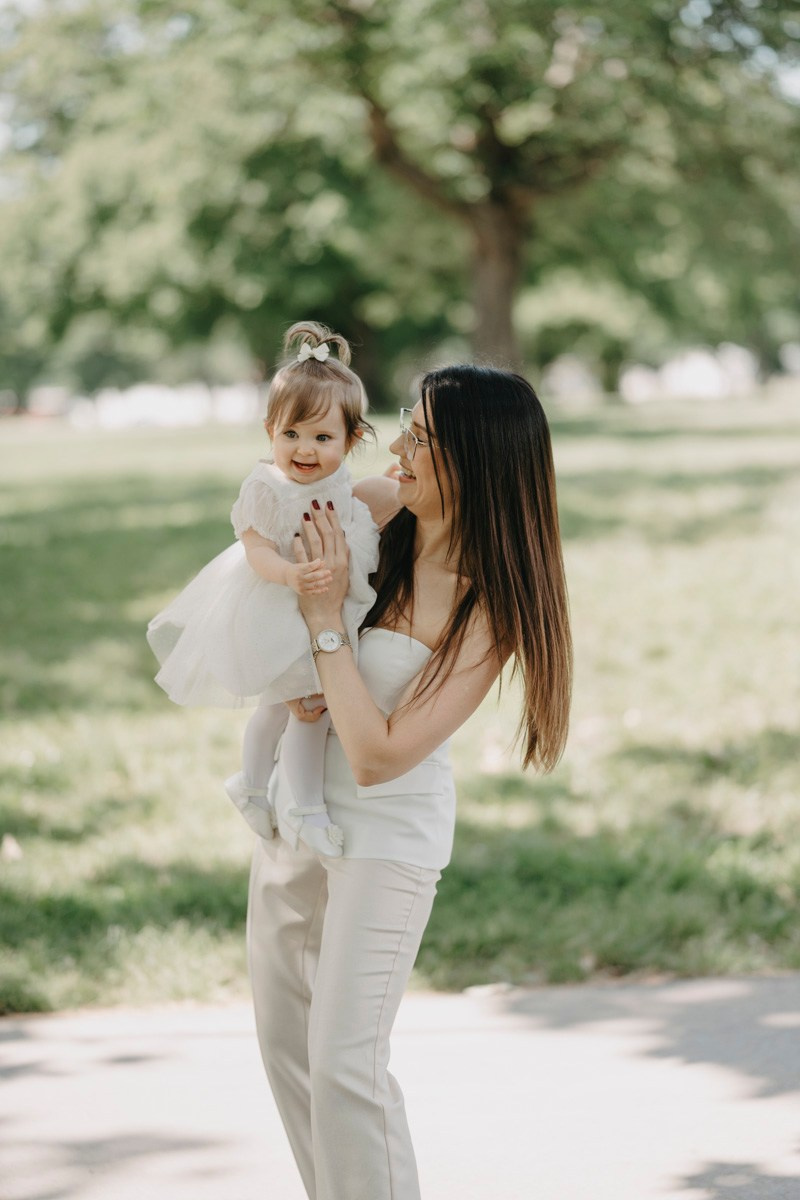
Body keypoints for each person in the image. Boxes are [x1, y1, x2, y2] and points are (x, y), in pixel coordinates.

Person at [247, 364, 573, 1200]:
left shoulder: (488, 605)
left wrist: (325, 632)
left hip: (387, 839)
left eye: (421, 437)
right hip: (300, 813)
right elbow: (264, 543)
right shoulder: (373, 521)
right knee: (286, 1044)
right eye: (405, 424)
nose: (397, 445)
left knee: (344, 1061)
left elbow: (381, 755)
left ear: (473, 461)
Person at [146, 321, 383, 856]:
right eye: (291, 434)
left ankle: (281, 797)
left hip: (325, 606)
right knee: (288, 707)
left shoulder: (340, 482)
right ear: (269, 431)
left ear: (352, 440)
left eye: (323, 438)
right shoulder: (265, 488)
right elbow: (254, 551)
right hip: (276, 606)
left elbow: (355, 523)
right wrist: (290, 574)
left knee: (303, 711)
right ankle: (273, 793)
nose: (304, 449)